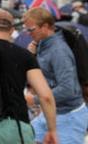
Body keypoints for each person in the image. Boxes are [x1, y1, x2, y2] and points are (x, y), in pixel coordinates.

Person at [0, 9, 58, 144]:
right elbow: (46, 96)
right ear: (12, 30)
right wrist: (52, 130)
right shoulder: (24, 55)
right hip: (14, 126)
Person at [24, 8, 87, 144]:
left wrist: (34, 100)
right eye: (26, 30)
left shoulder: (59, 51)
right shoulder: (43, 43)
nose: (28, 33)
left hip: (69, 116)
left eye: (31, 29)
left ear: (45, 27)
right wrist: (33, 54)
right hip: (52, 112)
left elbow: (67, 89)